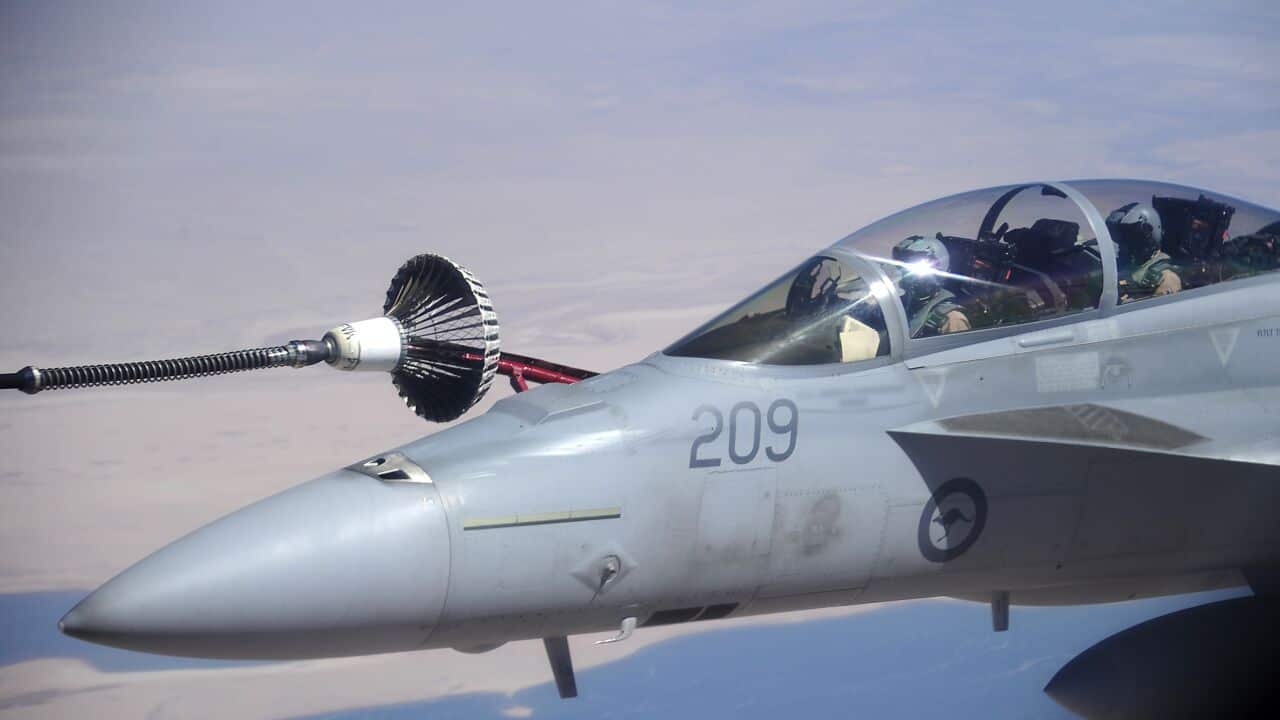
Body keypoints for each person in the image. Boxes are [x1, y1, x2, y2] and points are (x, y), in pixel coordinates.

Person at [892, 235, 971, 337]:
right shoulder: (901, 308)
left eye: (914, 264)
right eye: (903, 264)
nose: (905, 271)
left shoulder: (952, 319)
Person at [1106, 202, 1181, 302]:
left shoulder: (1167, 278)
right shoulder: (1127, 267)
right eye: (1123, 236)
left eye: (1132, 236)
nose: (1126, 242)